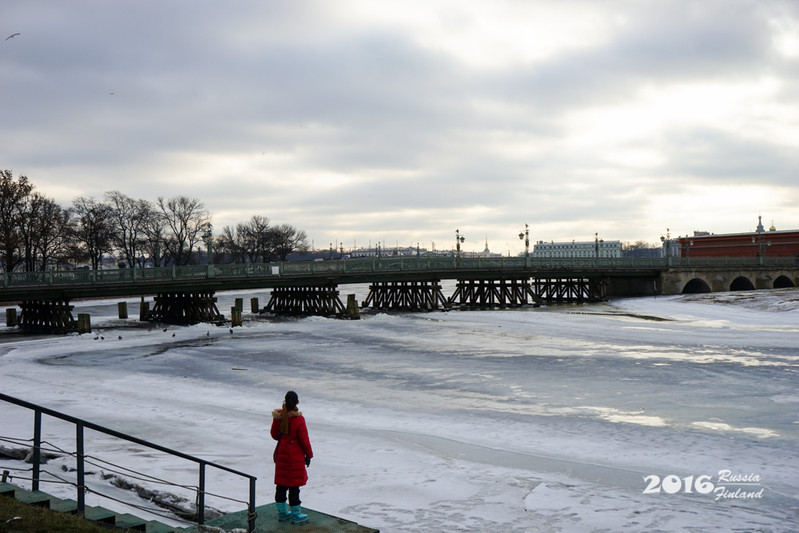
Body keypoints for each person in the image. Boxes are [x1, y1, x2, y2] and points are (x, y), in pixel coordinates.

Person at [271, 390, 314, 524]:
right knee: (294, 486)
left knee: (281, 484)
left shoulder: (279, 417)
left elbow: (274, 435)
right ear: (297, 402)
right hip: (294, 457)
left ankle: (283, 513)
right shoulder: (298, 419)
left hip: (282, 455)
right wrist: (309, 455)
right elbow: (304, 440)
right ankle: (296, 515)